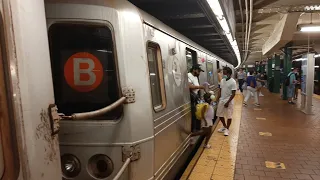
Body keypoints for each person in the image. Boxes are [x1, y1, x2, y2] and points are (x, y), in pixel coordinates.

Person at [216, 67, 237, 136]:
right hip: (222, 100)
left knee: (229, 116)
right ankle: (224, 126)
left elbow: (233, 94)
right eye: (223, 72)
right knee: (219, 114)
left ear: (229, 73)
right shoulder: (222, 80)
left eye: (224, 72)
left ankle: (227, 129)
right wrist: (217, 99)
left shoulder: (233, 82)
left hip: (229, 101)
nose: (223, 74)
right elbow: (220, 90)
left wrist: (228, 102)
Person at [188, 64, 205, 132]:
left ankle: (198, 128)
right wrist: (200, 87)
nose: (199, 73)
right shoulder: (189, 75)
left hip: (196, 96)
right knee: (194, 114)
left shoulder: (195, 77)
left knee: (197, 112)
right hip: (192, 98)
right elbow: (189, 86)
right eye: (198, 71)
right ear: (194, 70)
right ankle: (193, 129)